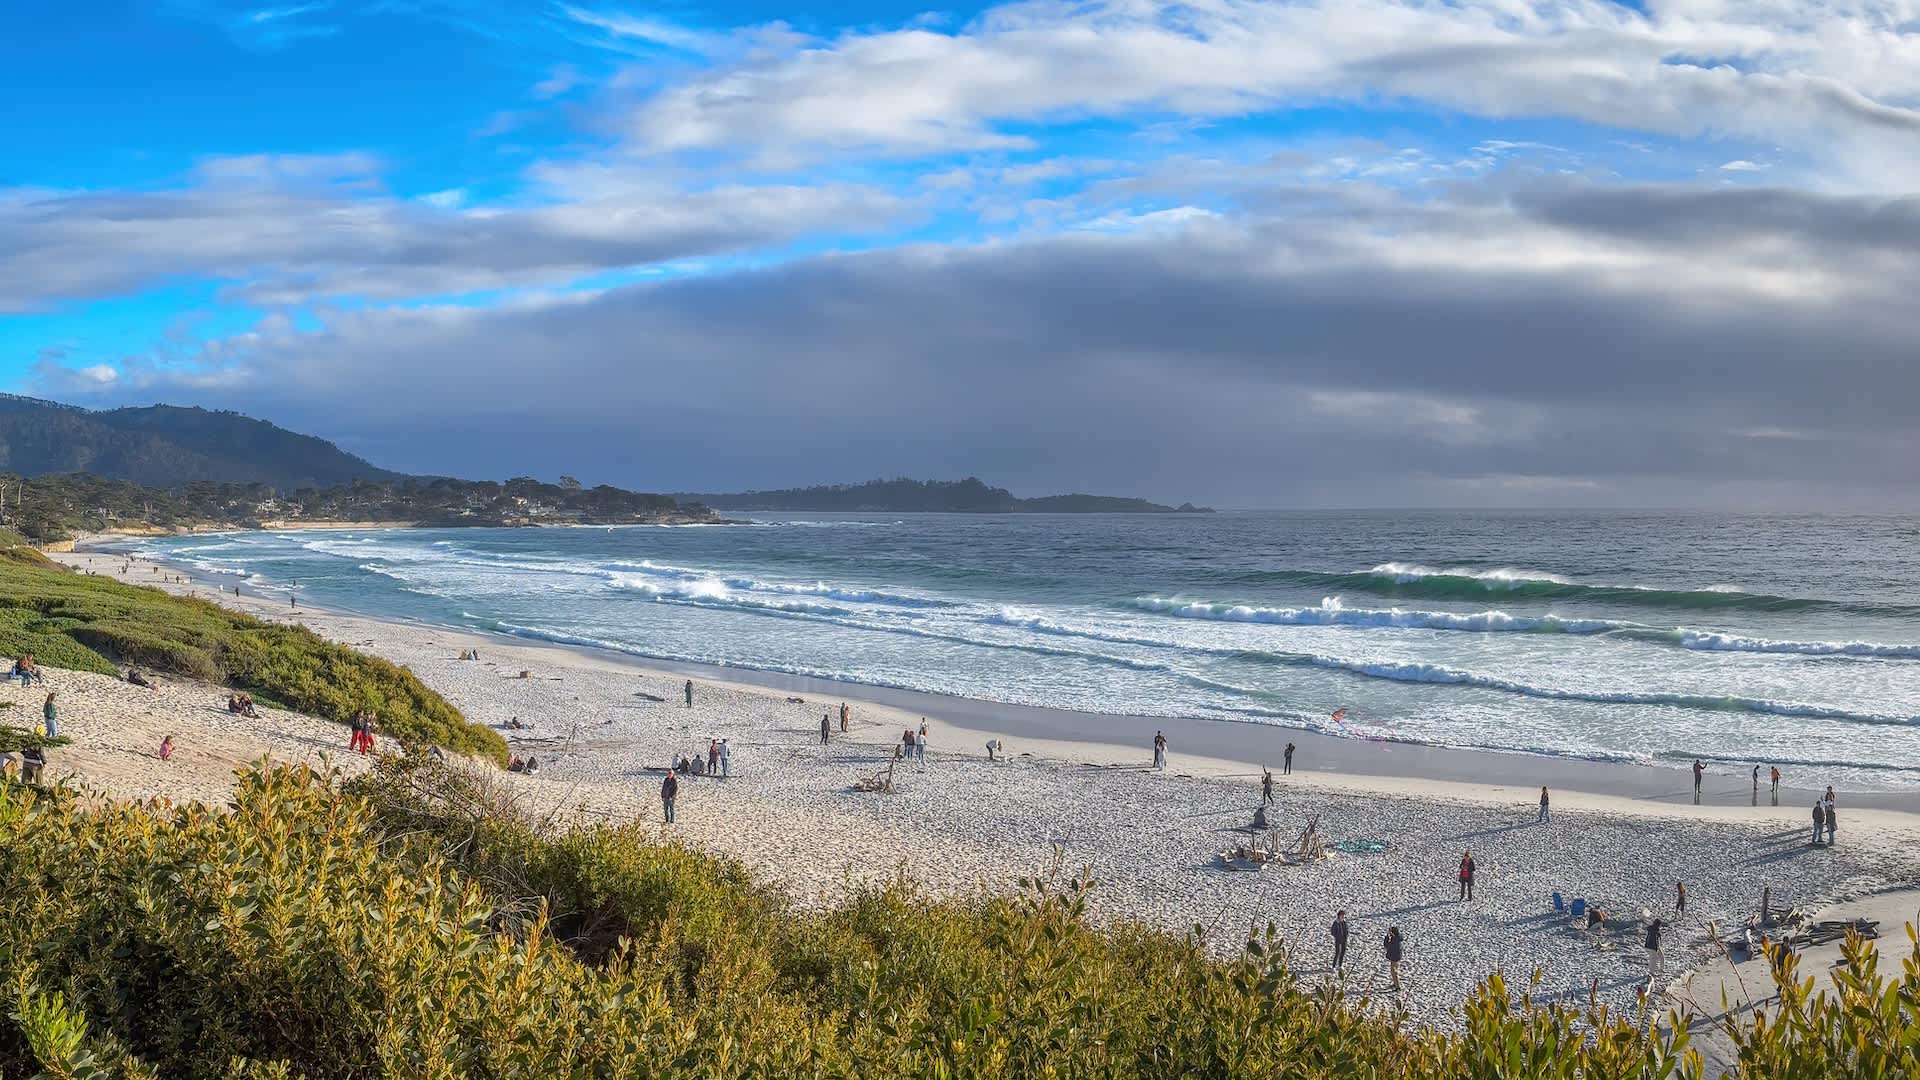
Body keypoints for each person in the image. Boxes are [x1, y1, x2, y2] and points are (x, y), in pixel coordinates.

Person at [1384, 926, 1403, 990]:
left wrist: (1387, 937)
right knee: (1395, 971)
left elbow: (1386, 945)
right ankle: (1395, 983)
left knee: (1394, 972)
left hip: (1394, 957)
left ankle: (1397, 986)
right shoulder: (1397, 938)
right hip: (1397, 956)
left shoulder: (1394, 940)